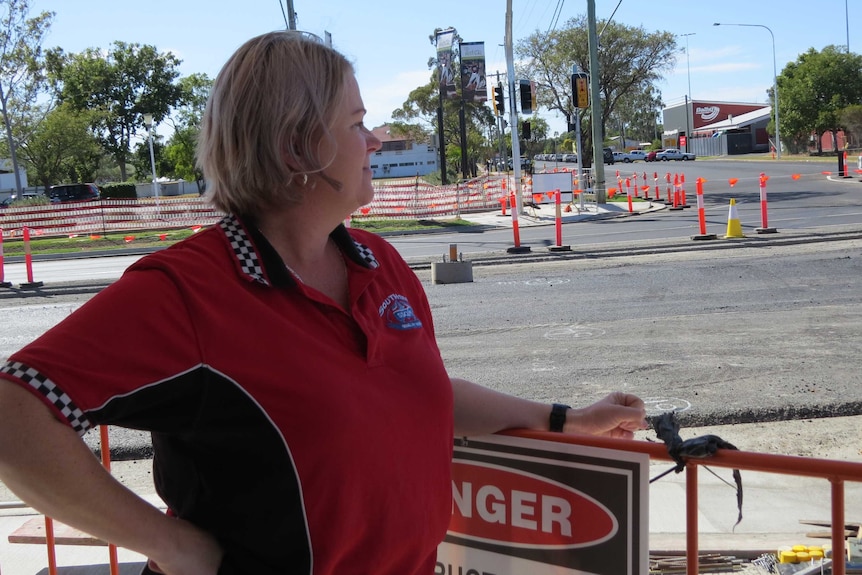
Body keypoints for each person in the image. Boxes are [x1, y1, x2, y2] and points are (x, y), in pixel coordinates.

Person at [0, 31, 647, 575]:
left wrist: (567, 419)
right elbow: (14, 412)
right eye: (358, 123)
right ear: (297, 147)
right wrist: (171, 543)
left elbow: (416, 392)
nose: (377, 140)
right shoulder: (191, 291)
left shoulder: (379, 262)